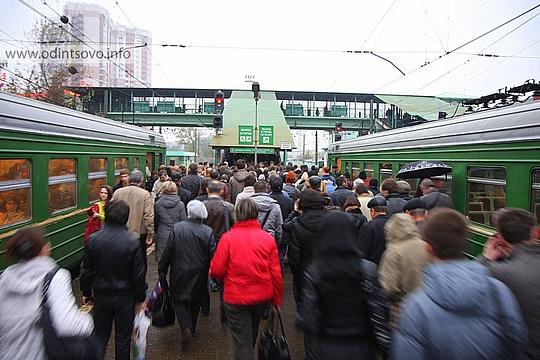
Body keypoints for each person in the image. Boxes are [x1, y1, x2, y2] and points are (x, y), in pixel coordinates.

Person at [392, 208, 527, 360]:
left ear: (428, 249)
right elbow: (515, 344)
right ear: (465, 244)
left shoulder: (415, 306)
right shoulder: (499, 292)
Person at [0, 227, 94, 360]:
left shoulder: (4, 279)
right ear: (44, 249)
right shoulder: (55, 277)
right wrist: (87, 321)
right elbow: (67, 325)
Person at [210, 198, 283, 360]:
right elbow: (276, 273)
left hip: (235, 296)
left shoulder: (228, 238)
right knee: (252, 331)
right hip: (261, 296)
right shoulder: (267, 239)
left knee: (241, 340)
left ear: (237, 214)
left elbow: (216, 270)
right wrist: (276, 300)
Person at [299, 212, 376, 360]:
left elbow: (308, 317)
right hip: (360, 346)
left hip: (327, 345)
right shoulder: (368, 269)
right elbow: (377, 310)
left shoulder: (315, 270)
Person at [80, 200, 146, 360]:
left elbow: (86, 270)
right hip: (126, 297)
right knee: (123, 338)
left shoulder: (94, 239)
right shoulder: (132, 242)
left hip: (101, 295)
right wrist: (140, 298)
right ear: (126, 218)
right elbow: (138, 275)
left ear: (107, 215)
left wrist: (86, 292)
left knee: (100, 335)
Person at [478, 208, 540, 358]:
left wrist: (485, 258)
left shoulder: (498, 271)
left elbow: (464, 285)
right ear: (534, 231)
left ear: (501, 237)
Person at [159, 200, 215, 349]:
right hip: (200, 273)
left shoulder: (177, 228)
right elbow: (213, 255)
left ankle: (186, 328)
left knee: (179, 301)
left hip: (179, 271)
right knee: (196, 300)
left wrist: (162, 269)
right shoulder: (208, 231)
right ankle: (192, 327)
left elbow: (168, 251)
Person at [379, 213, 429, 324]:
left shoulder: (393, 252)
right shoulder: (425, 246)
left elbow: (390, 286)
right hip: (428, 304)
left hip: (404, 307)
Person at [283, 189, 326, 311]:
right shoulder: (329, 220)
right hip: (324, 266)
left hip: (304, 269)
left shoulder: (297, 223)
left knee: (302, 296)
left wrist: (295, 212)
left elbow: (294, 254)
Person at [111, 170, 154, 274]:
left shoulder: (118, 192)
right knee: (139, 261)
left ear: (129, 179)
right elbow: (149, 216)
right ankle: (139, 283)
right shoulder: (145, 194)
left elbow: (110, 210)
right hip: (138, 235)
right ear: (141, 180)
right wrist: (150, 233)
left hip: (119, 232)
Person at [154, 181, 187, 262]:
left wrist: (155, 231)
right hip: (177, 233)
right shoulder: (180, 204)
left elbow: (156, 219)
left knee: (162, 258)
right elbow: (183, 220)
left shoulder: (158, 204)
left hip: (162, 232)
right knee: (175, 258)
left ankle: (162, 274)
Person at [268, 176, 294, 270]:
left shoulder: (268, 201)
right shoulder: (289, 201)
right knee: (281, 255)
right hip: (284, 233)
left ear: (270, 187)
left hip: (269, 232)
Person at [358, 196, 389, 265]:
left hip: (373, 265)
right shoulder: (393, 223)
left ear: (372, 211)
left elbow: (363, 250)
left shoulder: (368, 226)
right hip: (389, 265)